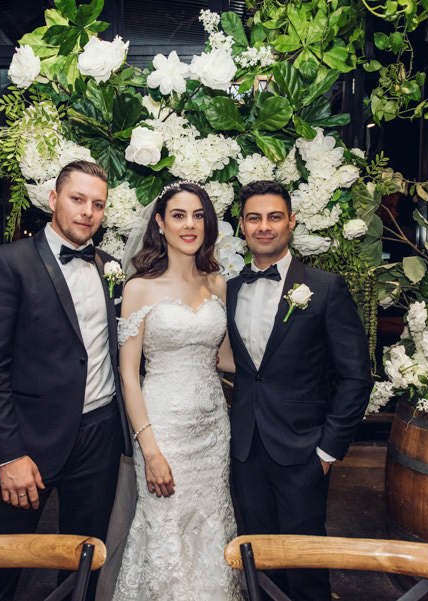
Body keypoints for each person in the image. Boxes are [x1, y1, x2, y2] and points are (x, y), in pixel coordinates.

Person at [0, 160, 132, 601]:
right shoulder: (7, 262)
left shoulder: (112, 267)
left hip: (99, 435)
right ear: (53, 199)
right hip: (29, 440)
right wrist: (9, 454)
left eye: (98, 204)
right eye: (77, 199)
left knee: (84, 564)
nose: (88, 212)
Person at [227, 181, 373, 601]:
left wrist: (327, 451)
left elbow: (356, 376)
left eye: (274, 217)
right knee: (257, 561)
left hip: (304, 451)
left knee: (306, 566)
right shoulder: (230, 289)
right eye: (254, 218)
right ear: (242, 226)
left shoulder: (325, 288)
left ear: (291, 221)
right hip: (246, 450)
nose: (264, 226)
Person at [112, 181, 241, 601]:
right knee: (165, 529)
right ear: (160, 223)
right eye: (179, 215)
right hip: (162, 430)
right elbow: (128, 376)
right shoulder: (139, 288)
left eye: (198, 216)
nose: (190, 225)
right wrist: (150, 450)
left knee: (210, 524)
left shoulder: (217, 284)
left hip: (213, 430)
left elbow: (225, 358)